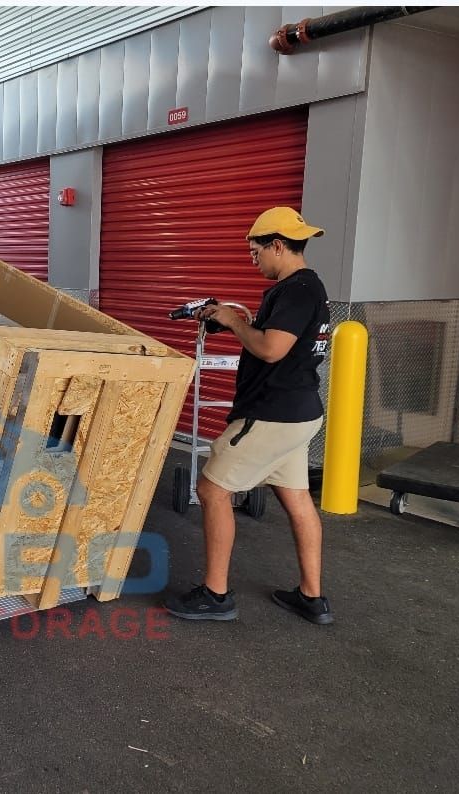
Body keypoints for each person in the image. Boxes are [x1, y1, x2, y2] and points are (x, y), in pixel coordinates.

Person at [165, 207, 334, 625]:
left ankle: (215, 595)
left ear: (277, 245)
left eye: (256, 252)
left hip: (272, 415)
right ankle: (311, 598)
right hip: (298, 414)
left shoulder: (297, 290)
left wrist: (234, 321)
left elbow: (272, 349)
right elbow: (277, 340)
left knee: (211, 490)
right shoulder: (307, 288)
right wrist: (232, 322)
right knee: (296, 498)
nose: (253, 260)